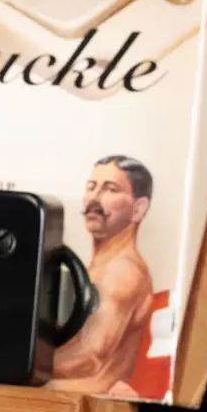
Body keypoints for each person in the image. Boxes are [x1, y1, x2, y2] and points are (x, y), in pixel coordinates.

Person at [50, 156, 155, 396]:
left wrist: (7, 357)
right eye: (91, 187)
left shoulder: (122, 270)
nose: (94, 199)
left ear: (138, 208)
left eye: (111, 189)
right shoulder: (104, 264)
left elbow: (88, 358)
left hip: (80, 399)